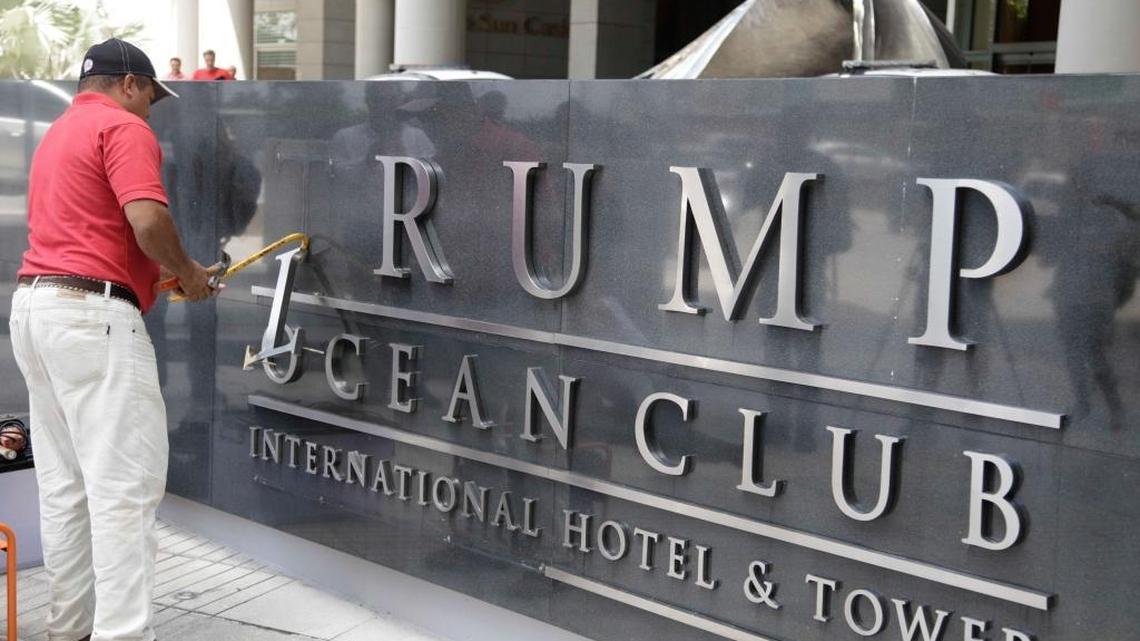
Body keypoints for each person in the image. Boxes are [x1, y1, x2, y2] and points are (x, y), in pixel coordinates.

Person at [8, 38, 216, 641]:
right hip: (92, 318)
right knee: (124, 490)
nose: (152, 108)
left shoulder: (58, 133)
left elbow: (96, 232)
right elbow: (147, 220)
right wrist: (194, 275)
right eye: (151, 94)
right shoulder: (124, 129)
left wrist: (169, 270)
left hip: (37, 309)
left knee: (65, 488)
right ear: (129, 83)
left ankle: (67, 630)